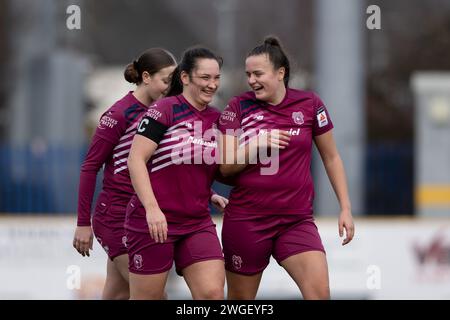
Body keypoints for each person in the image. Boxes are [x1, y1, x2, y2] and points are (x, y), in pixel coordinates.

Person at [73, 47, 227, 299]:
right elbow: (91, 167)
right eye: (167, 81)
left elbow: (171, 164)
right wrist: (82, 223)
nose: (171, 87)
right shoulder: (119, 114)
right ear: (146, 77)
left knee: (118, 294)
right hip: (118, 214)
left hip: (150, 208)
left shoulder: (171, 111)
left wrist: (208, 193)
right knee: (153, 295)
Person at [218, 36, 355, 300]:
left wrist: (345, 208)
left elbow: (332, 158)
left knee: (319, 294)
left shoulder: (310, 104)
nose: (252, 80)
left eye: (258, 73)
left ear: (280, 73)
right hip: (247, 221)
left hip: (296, 220)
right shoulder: (238, 107)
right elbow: (225, 167)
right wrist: (255, 143)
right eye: (248, 74)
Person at [125, 47, 226, 300]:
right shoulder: (164, 110)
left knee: (212, 294)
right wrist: (152, 209)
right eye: (205, 77)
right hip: (153, 223)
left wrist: (210, 193)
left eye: (216, 78)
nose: (212, 85)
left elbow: (192, 163)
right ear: (185, 78)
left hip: (197, 223)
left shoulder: (218, 119)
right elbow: (136, 160)